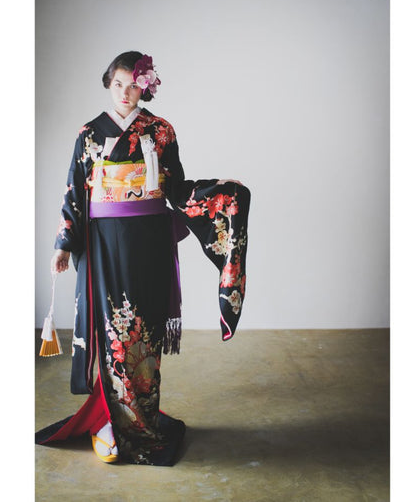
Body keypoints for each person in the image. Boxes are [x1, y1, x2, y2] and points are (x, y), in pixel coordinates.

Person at [35, 51, 250, 466]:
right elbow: (74, 191)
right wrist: (63, 243)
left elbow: (177, 189)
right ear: (108, 84)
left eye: (133, 85)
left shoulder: (160, 131)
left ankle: (143, 420)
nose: (125, 93)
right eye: (117, 84)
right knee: (114, 331)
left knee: (144, 331)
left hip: (149, 241)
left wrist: (223, 195)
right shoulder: (89, 135)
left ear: (145, 87)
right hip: (103, 244)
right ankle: (108, 421)